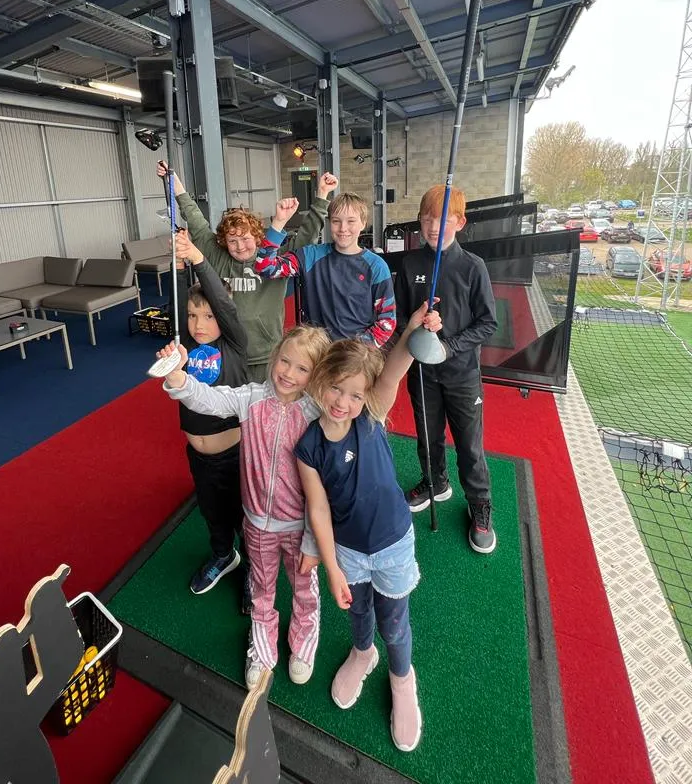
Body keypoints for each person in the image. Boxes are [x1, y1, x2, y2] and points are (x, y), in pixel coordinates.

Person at [155, 325, 332, 690]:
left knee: (304, 587)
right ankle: (262, 645)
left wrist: (315, 540)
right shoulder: (251, 398)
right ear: (274, 356)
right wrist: (179, 379)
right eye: (285, 361)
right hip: (255, 523)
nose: (288, 373)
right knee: (261, 588)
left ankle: (304, 640)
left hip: (299, 527)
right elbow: (210, 400)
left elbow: (326, 484)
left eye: (302, 369)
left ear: (316, 375)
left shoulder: (316, 413)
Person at [295, 303, 431, 753]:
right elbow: (317, 510)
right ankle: (361, 652)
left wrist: (413, 328)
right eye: (336, 388)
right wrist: (332, 568)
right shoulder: (308, 446)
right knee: (358, 614)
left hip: (392, 543)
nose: (342, 402)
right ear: (320, 381)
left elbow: (392, 372)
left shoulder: (371, 416)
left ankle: (402, 679)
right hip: (348, 552)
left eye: (355, 394)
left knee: (394, 624)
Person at [157, 162, 337, 381]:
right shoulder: (218, 256)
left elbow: (307, 235)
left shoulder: (275, 261)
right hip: (226, 351)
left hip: (266, 353)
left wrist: (322, 196)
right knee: (229, 409)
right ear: (224, 242)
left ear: (258, 238)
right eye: (232, 241)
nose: (240, 247)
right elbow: (195, 220)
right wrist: (173, 182)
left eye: (245, 239)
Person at [394, 184, 498, 554]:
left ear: (460, 222)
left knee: (470, 445)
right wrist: (418, 323)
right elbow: (401, 318)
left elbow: (488, 323)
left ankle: (479, 504)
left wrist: (447, 343)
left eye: (442, 219)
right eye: (426, 219)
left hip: (461, 374)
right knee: (427, 436)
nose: (433, 226)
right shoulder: (409, 265)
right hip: (422, 373)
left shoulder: (473, 267)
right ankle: (434, 481)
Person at [170, 229, 251, 612]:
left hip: (233, 454)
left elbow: (219, 299)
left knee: (243, 517)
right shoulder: (187, 347)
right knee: (211, 511)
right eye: (192, 315)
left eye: (208, 316)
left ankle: (253, 569)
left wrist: (197, 258)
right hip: (198, 455)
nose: (199, 323)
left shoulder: (234, 343)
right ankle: (223, 556)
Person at [254, 191, 396, 349]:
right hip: (315, 354)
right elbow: (265, 266)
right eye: (336, 221)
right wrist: (279, 222)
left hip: (355, 358)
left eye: (351, 221)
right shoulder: (310, 256)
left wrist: (353, 350)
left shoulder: (376, 266)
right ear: (329, 223)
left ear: (363, 223)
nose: (343, 228)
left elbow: (387, 321)